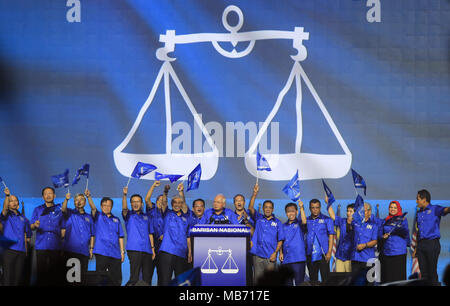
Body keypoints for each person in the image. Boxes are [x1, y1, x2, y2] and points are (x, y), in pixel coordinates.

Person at [248, 184, 285, 284]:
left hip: (270, 256)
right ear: (263, 209)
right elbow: (250, 207)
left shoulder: (278, 222)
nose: (267, 209)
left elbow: (280, 240)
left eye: (270, 207)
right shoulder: (259, 218)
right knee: (257, 281)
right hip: (257, 255)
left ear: (272, 209)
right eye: (266, 207)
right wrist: (254, 193)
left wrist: (275, 253)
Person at [413, 189, 450, 286]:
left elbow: (446, 210)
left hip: (432, 243)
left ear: (424, 199)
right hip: (421, 245)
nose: (416, 201)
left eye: (418, 199)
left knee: (432, 272)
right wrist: (416, 248)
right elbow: (418, 232)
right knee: (424, 274)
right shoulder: (419, 213)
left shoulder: (435, 209)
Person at [30, 186, 64, 286]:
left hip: (56, 246)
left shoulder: (59, 209)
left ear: (54, 195)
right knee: (41, 272)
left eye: (50, 193)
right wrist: (35, 225)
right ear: (42, 196)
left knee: (55, 273)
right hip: (41, 245)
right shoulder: (37, 210)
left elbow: (63, 228)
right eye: (46, 193)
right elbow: (31, 227)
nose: (48, 195)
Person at [122, 187, 156, 286]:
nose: (136, 203)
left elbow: (150, 233)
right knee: (134, 277)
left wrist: (153, 249)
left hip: (147, 250)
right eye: (133, 202)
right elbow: (124, 208)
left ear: (142, 204)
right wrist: (124, 195)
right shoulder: (128, 215)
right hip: (134, 249)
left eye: (138, 201)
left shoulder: (147, 217)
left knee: (147, 277)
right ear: (131, 204)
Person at [61, 190, 95, 285]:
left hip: (84, 252)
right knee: (70, 279)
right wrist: (66, 199)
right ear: (74, 202)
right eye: (76, 200)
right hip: (71, 251)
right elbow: (63, 209)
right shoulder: (69, 213)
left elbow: (92, 234)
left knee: (82, 279)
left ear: (85, 202)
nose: (79, 201)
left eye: (81, 199)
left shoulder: (89, 217)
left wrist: (91, 248)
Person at [158, 195, 192, 286]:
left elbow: (188, 236)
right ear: (172, 204)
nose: (177, 204)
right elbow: (164, 203)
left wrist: (189, 252)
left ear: (182, 204)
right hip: (167, 251)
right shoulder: (167, 213)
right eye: (175, 202)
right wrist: (165, 192)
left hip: (181, 253)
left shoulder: (186, 217)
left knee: (180, 281)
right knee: (165, 280)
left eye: (179, 202)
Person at [1, 187, 31, 285]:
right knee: (7, 278)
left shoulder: (24, 219)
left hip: (21, 252)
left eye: (15, 201)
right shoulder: (6, 215)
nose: (13, 202)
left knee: (17, 280)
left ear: (18, 204)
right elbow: (4, 209)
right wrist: (7, 196)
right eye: (11, 201)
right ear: (8, 203)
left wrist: (25, 251)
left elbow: (27, 235)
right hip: (9, 251)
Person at [91, 197, 125, 286]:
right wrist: (88, 197)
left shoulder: (116, 220)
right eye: (104, 205)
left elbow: (120, 236)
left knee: (116, 278)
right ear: (101, 207)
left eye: (109, 205)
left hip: (115, 253)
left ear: (112, 207)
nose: (106, 207)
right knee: (100, 278)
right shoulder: (98, 216)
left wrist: (122, 252)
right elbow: (93, 208)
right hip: (102, 251)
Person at [304, 199, 335, 284]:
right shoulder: (306, 220)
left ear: (320, 208)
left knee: (326, 279)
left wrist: (329, 252)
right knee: (313, 279)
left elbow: (331, 236)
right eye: (313, 208)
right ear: (310, 208)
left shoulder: (327, 219)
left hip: (323, 254)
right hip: (310, 254)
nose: (315, 210)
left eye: (317, 207)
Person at [145, 181, 169, 285]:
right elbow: (146, 199)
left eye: (163, 200)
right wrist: (153, 186)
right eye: (159, 200)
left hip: (163, 245)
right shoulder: (151, 209)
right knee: (148, 273)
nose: (161, 202)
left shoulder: (168, 213)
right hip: (150, 243)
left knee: (162, 274)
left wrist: (165, 193)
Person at [380, 201, 410, 284]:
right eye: (391, 207)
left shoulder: (402, 219)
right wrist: (383, 237)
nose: (392, 209)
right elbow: (380, 234)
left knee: (398, 278)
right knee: (388, 277)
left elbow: (405, 232)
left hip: (398, 252)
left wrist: (394, 229)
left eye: (395, 207)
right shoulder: (385, 220)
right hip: (387, 252)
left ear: (398, 209)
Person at [279, 201, 307, 286]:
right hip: (286, 259)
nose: (290, 213)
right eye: (288, 211)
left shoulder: (299, 223)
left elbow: (304, 221)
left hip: (298, 259)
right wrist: (280, 253)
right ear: (286, 213)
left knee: (299, 283)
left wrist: (301, 208)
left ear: (296, 212)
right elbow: (280, 239)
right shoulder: (283, 226)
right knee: (287, 283)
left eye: (292, 211)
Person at [350, 203, 378, 284]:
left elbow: (375, 241)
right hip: (356, 258)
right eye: (361, 211)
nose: (362, 213)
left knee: (369, 282)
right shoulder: (355, 223)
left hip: (369, 259)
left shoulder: (374, 225)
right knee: (356, 282)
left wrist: (365, 245)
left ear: (369, 212)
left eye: (364, 211)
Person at [327, 203, 355, 273]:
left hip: (351, 257)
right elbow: (332, 215)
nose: (348, 213)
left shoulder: (358, 224)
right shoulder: (342, 221)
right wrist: (328, 203)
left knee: (350, 279)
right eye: (347, 211)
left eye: (351, 211)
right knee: (340, 279)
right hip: (340, 256)